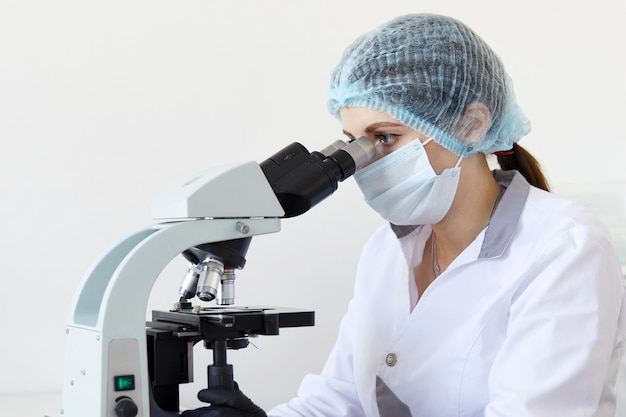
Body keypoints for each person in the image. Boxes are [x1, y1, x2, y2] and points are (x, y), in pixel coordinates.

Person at [183, 13, 626, 417]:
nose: (363, 161)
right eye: (352, 141)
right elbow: (341, 398)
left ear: (470, 124)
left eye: (385, 137)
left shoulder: (562, 247)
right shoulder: (387, 250)